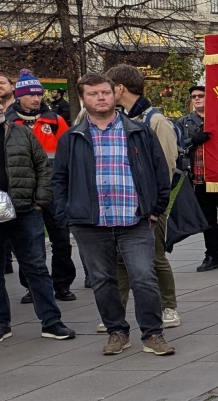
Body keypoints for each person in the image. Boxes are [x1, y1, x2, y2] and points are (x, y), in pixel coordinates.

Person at [53, 73, 173, 356]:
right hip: (90, 223)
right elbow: (59, 179)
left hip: (135, 220)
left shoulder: (139, 131)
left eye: (105, 92)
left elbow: (160, 173)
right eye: (93, 94)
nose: (101, 97)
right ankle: (117, 331)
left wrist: (155, 210)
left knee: (144, 276)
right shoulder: (72, 137)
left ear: (115, 93)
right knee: (103, 280)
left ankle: (153, 334)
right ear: (84, 98)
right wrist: (67, 215)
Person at [104, 64, 181, 328]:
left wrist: (156, 203)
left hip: (149, 205)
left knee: (156, 257)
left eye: (109, 88)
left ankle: (168, 306)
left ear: (120, 88)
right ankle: (118, 310)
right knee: (121, 260)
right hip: (123, 202)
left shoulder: (155, 120)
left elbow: (168, 164)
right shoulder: (119, 118)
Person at [0, 102, 75, 342]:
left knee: (36, 267)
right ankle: (2, 324)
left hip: (25, 210)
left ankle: (51, 322)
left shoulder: (21, 133)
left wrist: (40, 200)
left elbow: (43, 167)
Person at [5, 69, 74, 302]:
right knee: (28, 242)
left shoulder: (55, 120)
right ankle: (31, 287)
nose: (36, 99)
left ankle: (62, 284)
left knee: (61, 238)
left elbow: (68, 153)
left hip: (54, 189)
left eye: (39, 94)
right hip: (23, 191)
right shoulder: (9, 121)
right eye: (31, 95)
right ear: (19, 96)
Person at [176, 84, 218, 272]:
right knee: (208, 221)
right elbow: (177, 145)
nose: (197, 99)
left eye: (201, 95)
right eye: (193, 96)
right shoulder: (184, 122)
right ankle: (213, 256)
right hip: (198, 178)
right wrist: (193, 141)